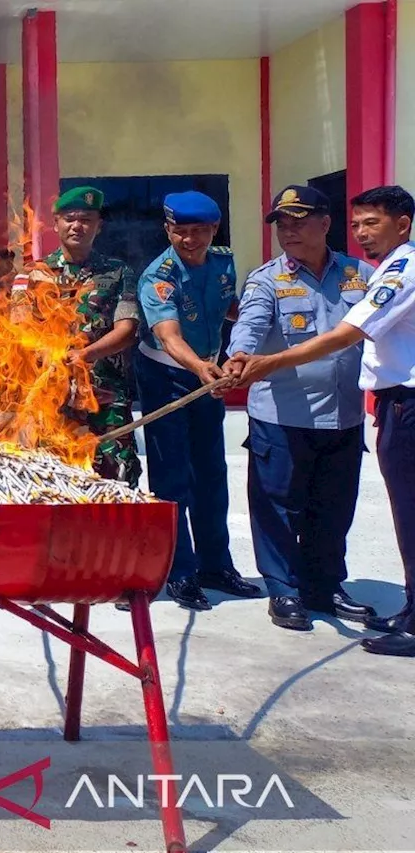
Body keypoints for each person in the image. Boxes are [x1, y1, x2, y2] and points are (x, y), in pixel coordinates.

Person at [231, 185, 415, 656]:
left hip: (343, 416)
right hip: (283, 413)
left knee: (333, 508)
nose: (288, 231)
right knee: (277, 505)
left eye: (299, 220)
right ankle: (284, 590)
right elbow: (249, 327)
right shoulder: (267, 280)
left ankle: (325, 586)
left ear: (325, 224)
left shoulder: (364, 274)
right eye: (281, 224)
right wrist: (239, 358)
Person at [136, 191, 261, 611]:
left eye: (199, 232)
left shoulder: (223, 259)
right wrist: (201, 368)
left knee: (211, 473)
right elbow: (169, 335)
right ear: (167, 230)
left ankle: (216, 565)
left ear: (214, 230)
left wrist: (255, 327)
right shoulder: (159, 275)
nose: (189, 240)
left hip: (208, 375)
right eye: (180, 232)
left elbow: (225, 305)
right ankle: (179, 571)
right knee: (173, 478)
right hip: (167, 376)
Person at [23, 186, 141, 486]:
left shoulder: (118, 273)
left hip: (104, 397)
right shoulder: (32, 276)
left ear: (98, 226)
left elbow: (126, 330)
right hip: (51, 397)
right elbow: (18, 329)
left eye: (87, 219)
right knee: (51, 480)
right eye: (70, 218)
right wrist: (50, 353)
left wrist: (86, 355)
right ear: (56, 224)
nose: (78, 226)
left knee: (115, 478)